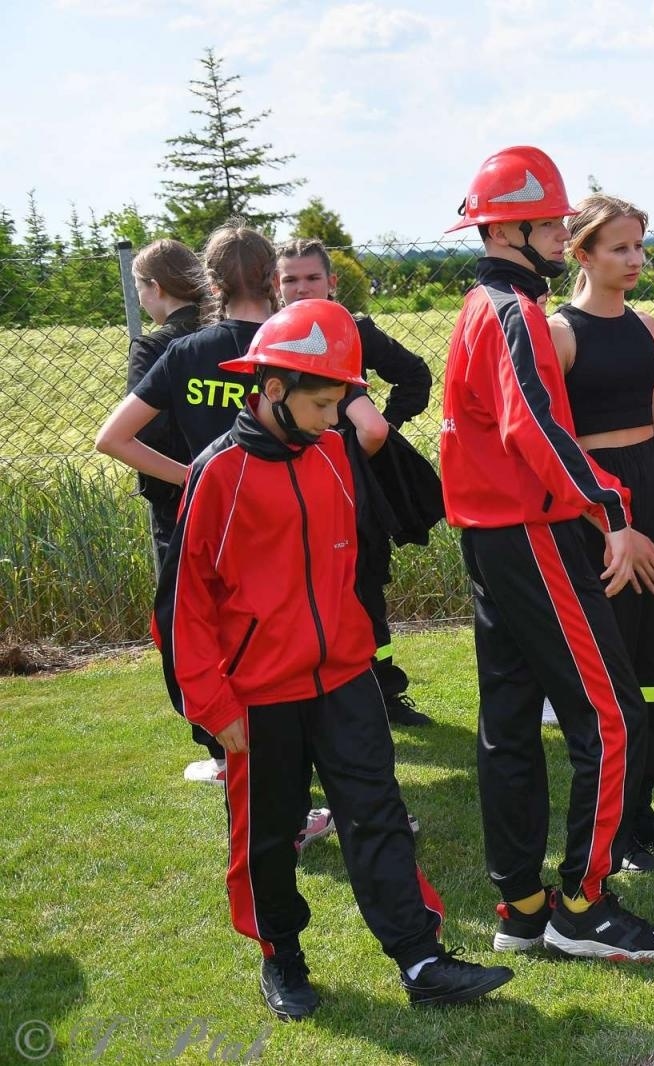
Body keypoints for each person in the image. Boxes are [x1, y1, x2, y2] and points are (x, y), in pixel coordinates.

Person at [151, 298, 514, 1017]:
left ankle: (421, 959)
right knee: (267, 835)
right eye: (322, 404)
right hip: (258, 696)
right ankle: (281, 958)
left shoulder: (335, 455)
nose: (333, 418)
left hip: (346, 677)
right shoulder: (214, 475)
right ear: (272, 391)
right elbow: (182, 607)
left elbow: (372, 546)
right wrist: (212, 706)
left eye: (340, 403)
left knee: (377, 813)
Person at [439, 146, 654, 961]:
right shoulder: (509, 310)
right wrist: (613, 508)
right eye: (550, 223)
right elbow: (534, 427)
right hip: (529, 533)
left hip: (492, 539)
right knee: (610, 718)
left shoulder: (487, 302)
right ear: (510, 228)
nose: (560, 232)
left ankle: (519, 909)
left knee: (509, 724)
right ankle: (582, 904)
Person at [549, 194, 654, 872]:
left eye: (640, 246)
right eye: (619, 248)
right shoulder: (560, 333)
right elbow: (552, 442)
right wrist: (605, 518)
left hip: (650, 492)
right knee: (615, 666)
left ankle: (643, 809)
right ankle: (613, 825)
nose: (636, 259)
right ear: (582, 253)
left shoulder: (644, 325)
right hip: (598, 505)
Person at [97, 221, 277, 787]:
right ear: (274, 278)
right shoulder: (296, 343)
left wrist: (197, 479)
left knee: (212, 636)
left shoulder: (182, 352)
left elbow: (112, 438)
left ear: (211, 283)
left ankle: (236, 759)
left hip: (210, 524)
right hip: (286, 520)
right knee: (288, 643)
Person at [275, 238, 435, 728]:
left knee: (364, 585)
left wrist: (375, 440)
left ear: (332, 283)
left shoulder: (354, 330)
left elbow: (415, 376)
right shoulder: (267, 337)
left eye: (312, 278)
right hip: (285, 487)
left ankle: (383, 690)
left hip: (350, 486)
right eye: (290, 280)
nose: (302, 288)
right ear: (275, 287)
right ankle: (305, 697)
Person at [125, 239, 207, 567]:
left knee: (186, 606)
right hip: (244, 488)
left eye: (139, 289)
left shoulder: (152, 347)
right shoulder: (228, 334)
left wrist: (191, 478)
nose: (141, 301)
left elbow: (143, 433)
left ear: (155, 287)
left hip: (179, 501)